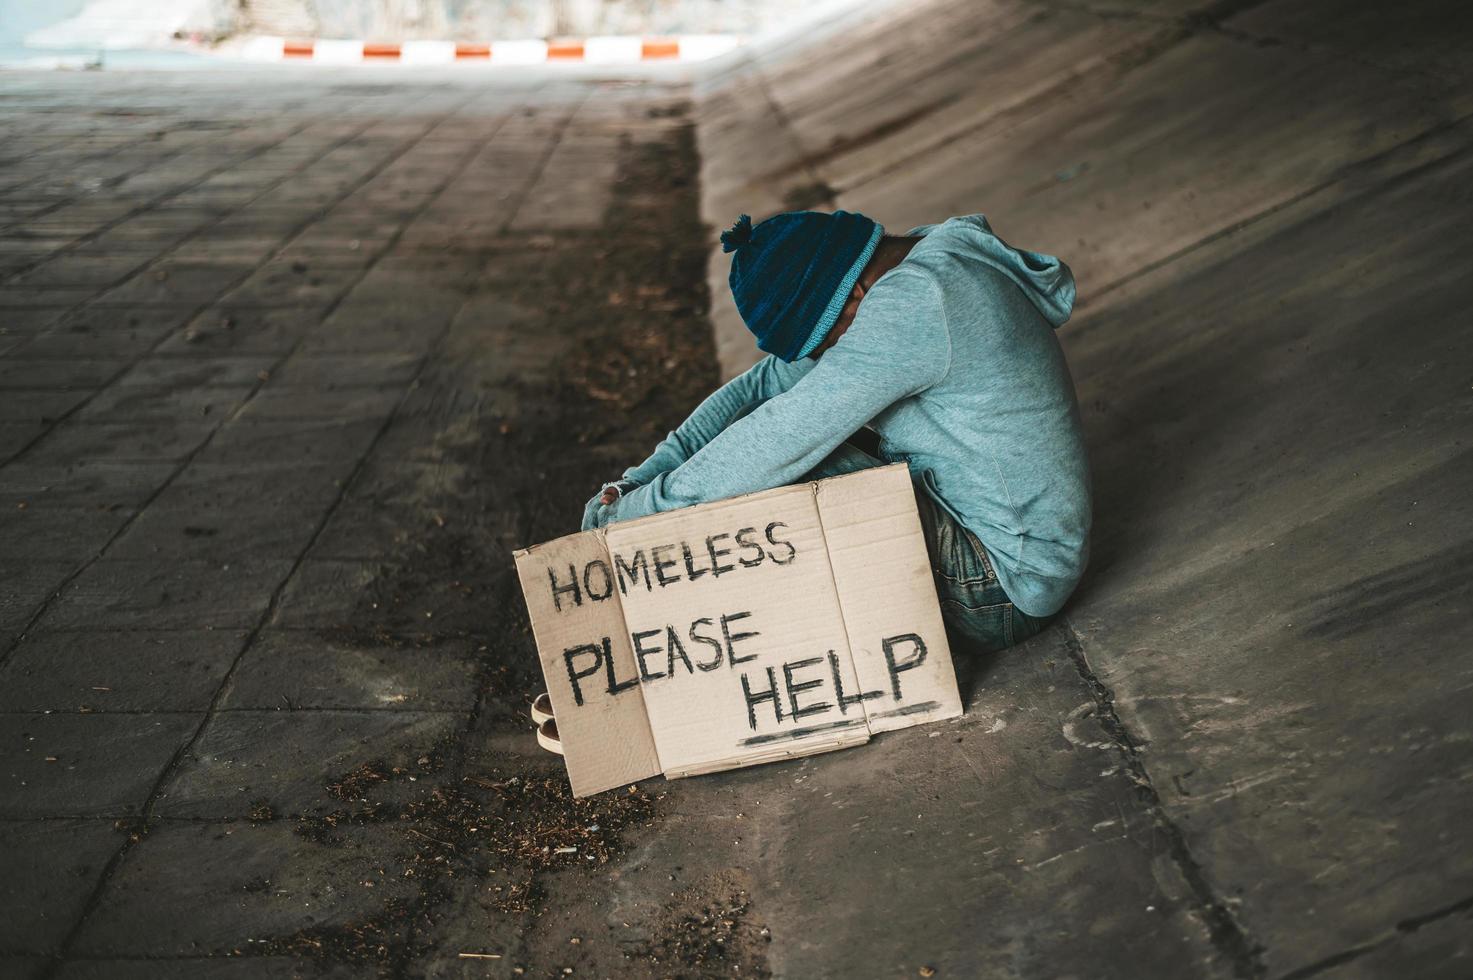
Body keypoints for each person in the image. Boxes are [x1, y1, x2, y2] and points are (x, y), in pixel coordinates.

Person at [581, 209, 1091, 653]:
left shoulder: (917, 303)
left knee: (780, 472)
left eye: (822, 348)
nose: (821, 360)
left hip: (1004, 584)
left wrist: (637, 517)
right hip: (1011, 543)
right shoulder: (926, 257)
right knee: (759, 455)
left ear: (854, 297)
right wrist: (637, 483)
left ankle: (671, 663)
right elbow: (763, 388)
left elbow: (780, 436)